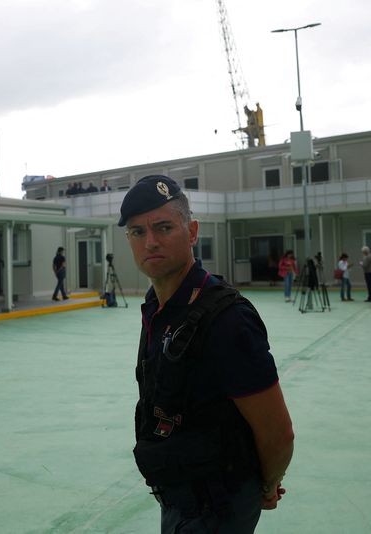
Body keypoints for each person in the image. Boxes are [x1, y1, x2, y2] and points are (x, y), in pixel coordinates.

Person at [119, 175, 294, 533]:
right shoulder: (158, 307)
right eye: (137, 232)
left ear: (193, 231)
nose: (150, 242)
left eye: (163, 227)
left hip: (218, 507)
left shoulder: (227, 319)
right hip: (178, 497)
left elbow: (278, 432)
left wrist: (266, 485)